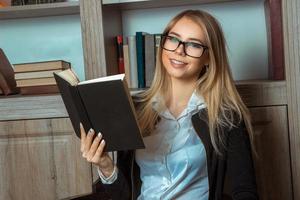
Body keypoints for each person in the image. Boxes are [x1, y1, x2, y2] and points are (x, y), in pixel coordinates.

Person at [80, 9, 258, 200]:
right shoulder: (136, 108)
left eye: (194, 44)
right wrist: (105, 164)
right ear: (163, 44)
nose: (179, 50)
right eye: (173, 39)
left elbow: (245, 191)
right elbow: (124, 195)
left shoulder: (226, 116)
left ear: (209, 57)